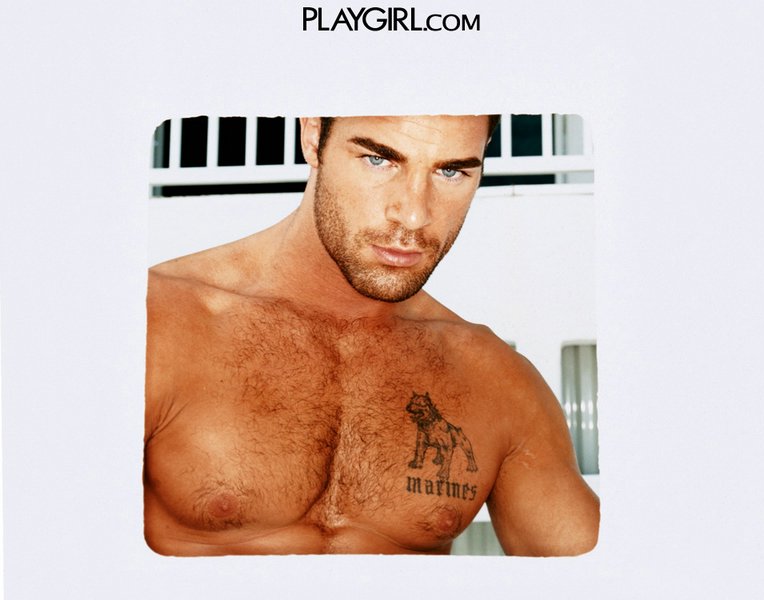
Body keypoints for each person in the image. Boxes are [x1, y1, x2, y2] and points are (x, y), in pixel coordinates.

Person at [144, 114, 599, 556]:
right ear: (313, 136)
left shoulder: (494, 378)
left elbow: (604, 578)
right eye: (379, 160)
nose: (414, 215)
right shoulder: (157, 323)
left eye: (451, 171)